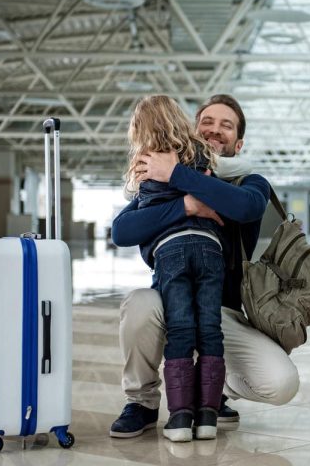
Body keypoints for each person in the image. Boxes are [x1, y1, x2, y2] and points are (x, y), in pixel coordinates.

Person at [109, 94, 300, 440]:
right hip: (169, 302)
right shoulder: (161, 180)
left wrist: (178, 174)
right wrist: (186, 205)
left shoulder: (250, 182)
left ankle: (218, 388)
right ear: (192, 130)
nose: (215, 129)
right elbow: (121, 231)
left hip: (224, 313)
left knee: (282, 383)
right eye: (207, 122)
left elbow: (244, 208)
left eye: (226, 125)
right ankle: (142, 402)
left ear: (238, 143)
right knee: (138, 304)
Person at [124, 95, 227, 442]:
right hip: (210, 248)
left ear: (139, 130)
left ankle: (181, 418)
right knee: (210, 329)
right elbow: (120, 231)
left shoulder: (145, 164)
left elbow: (139, 214)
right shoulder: (198, 154)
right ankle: (209, 417)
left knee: (181, 329)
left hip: (171, 252)